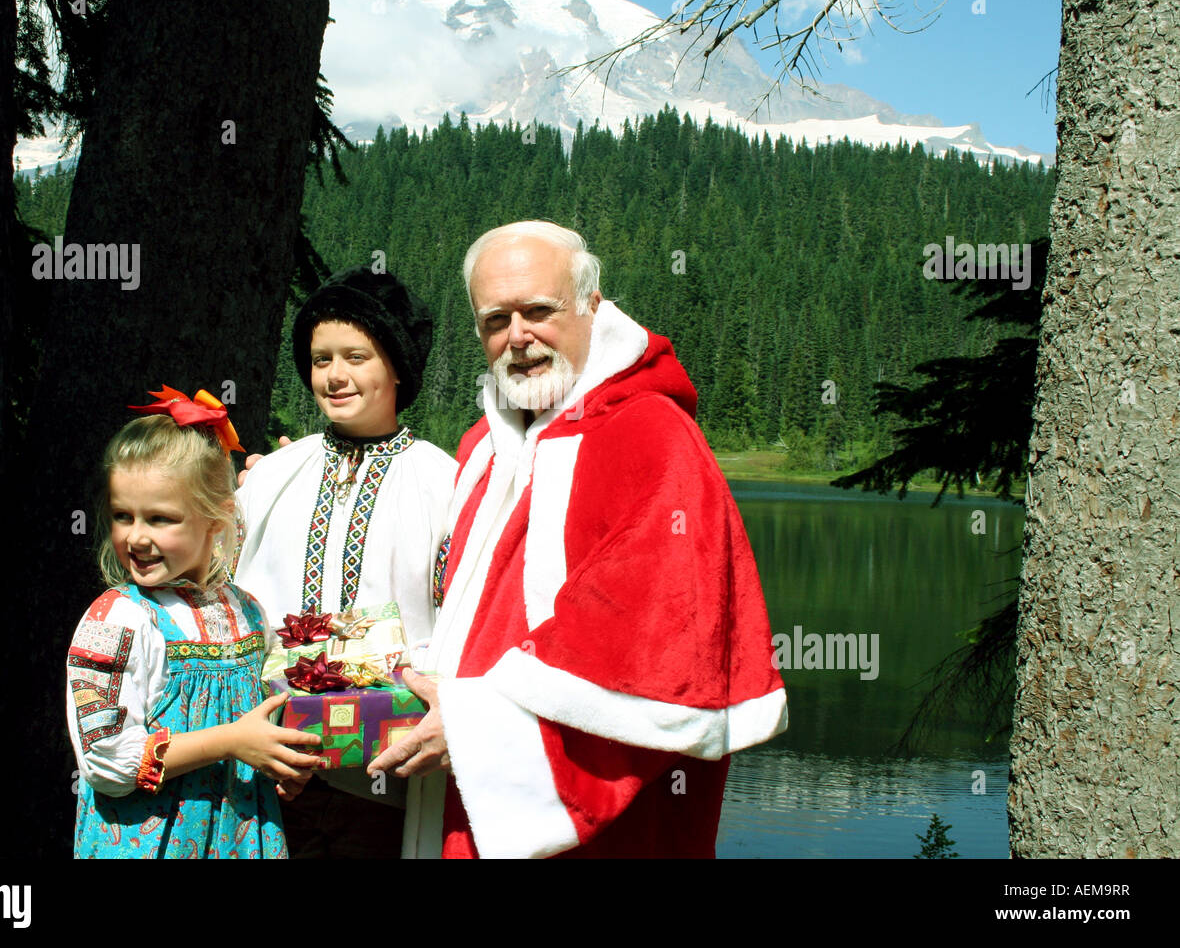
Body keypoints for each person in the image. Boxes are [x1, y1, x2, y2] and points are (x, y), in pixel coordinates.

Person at [368, 221, 789, 858]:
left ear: (592, 305)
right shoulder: (483, 448)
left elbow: (654, 636)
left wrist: (480, 724)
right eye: (494, 320)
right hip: (468, 786)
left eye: (539, 310)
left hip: (597, 811)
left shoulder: (650, 435)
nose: (518, 338)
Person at [232, 266, 456, 856]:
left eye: (356, 356)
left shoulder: (445, 483)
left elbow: (464, 617)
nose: (334, 375)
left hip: (383, 773)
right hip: (267, 761)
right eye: (320, 358)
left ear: (398, 365)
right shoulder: (273, 477)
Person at [66, 389, 323, 858]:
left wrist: (282, 762)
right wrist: (230, 741)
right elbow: (108, 762)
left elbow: (267, 719)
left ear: (216, 517)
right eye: (123, 516)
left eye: (161, 519)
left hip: (240, 838)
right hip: (150, 841)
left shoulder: (246, 613)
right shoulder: (119, 620)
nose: (137, 537)